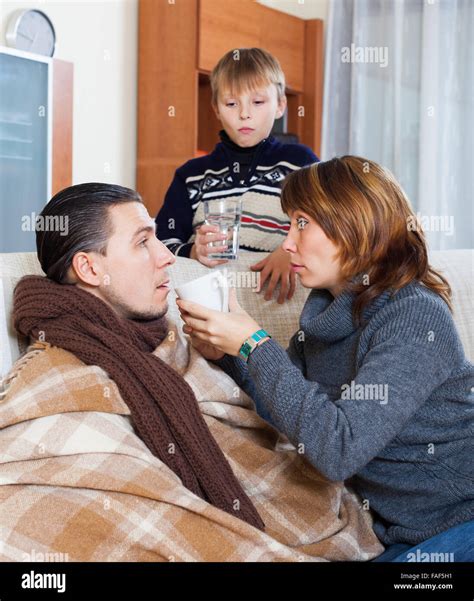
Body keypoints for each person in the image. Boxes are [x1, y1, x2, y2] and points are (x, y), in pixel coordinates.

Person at [177, 156, 474, 561]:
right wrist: (230, 353)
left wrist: (255, 343)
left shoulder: (412, 316)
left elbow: (338, 450)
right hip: (398, 531)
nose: (287, 242)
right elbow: (286, 410)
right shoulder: (324, 316)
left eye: (302, 223)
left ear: (356, 225)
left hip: (461, 518)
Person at [12, 182, 264, 531]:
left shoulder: (170, 336)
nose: (168, 256)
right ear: (89, 269)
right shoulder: (59, 376)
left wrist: (234, 356)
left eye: (157, 238)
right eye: (143, 242)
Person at [155, 47, 318, 304]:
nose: (244, 114)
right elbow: (161, 242)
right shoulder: (191, 175)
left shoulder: (300, 163)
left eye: (258, 102)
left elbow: (325, 223)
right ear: (216, 110)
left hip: (281, 305)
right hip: (213, 306)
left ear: (280, 106)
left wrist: (290, 251)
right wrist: (194, 251)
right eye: (231, 103)